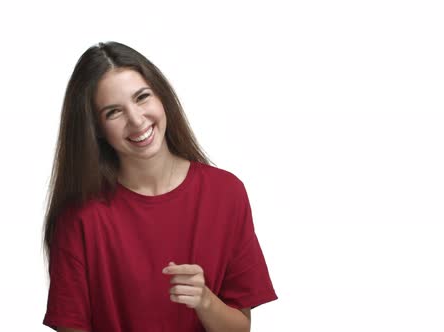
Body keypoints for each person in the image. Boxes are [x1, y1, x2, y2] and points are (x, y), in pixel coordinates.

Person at [41, 41, 278, 332]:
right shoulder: (79, 218)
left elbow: (240, 329)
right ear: (97, 129)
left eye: (142, 97)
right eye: (113, 112)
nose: (137, 120)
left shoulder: (226, 194)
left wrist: (205, 301)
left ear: (161, 96)